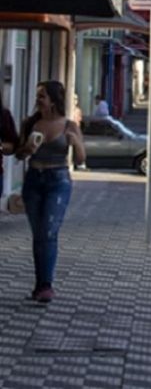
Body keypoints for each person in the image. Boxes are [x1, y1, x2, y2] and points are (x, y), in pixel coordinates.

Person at [14, 81, 85, 304]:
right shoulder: (31, 123)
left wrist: (75, 144)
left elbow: (82, 159)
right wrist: (27, 149)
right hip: (34, 181)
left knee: (48, 231)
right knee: (39, 234)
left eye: (42, 95)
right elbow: (18, 155)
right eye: (38, 95)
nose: (38, 100)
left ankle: (46, 285)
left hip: (58, 181)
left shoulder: (69, 126)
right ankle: (40, 285)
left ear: (53, 100)